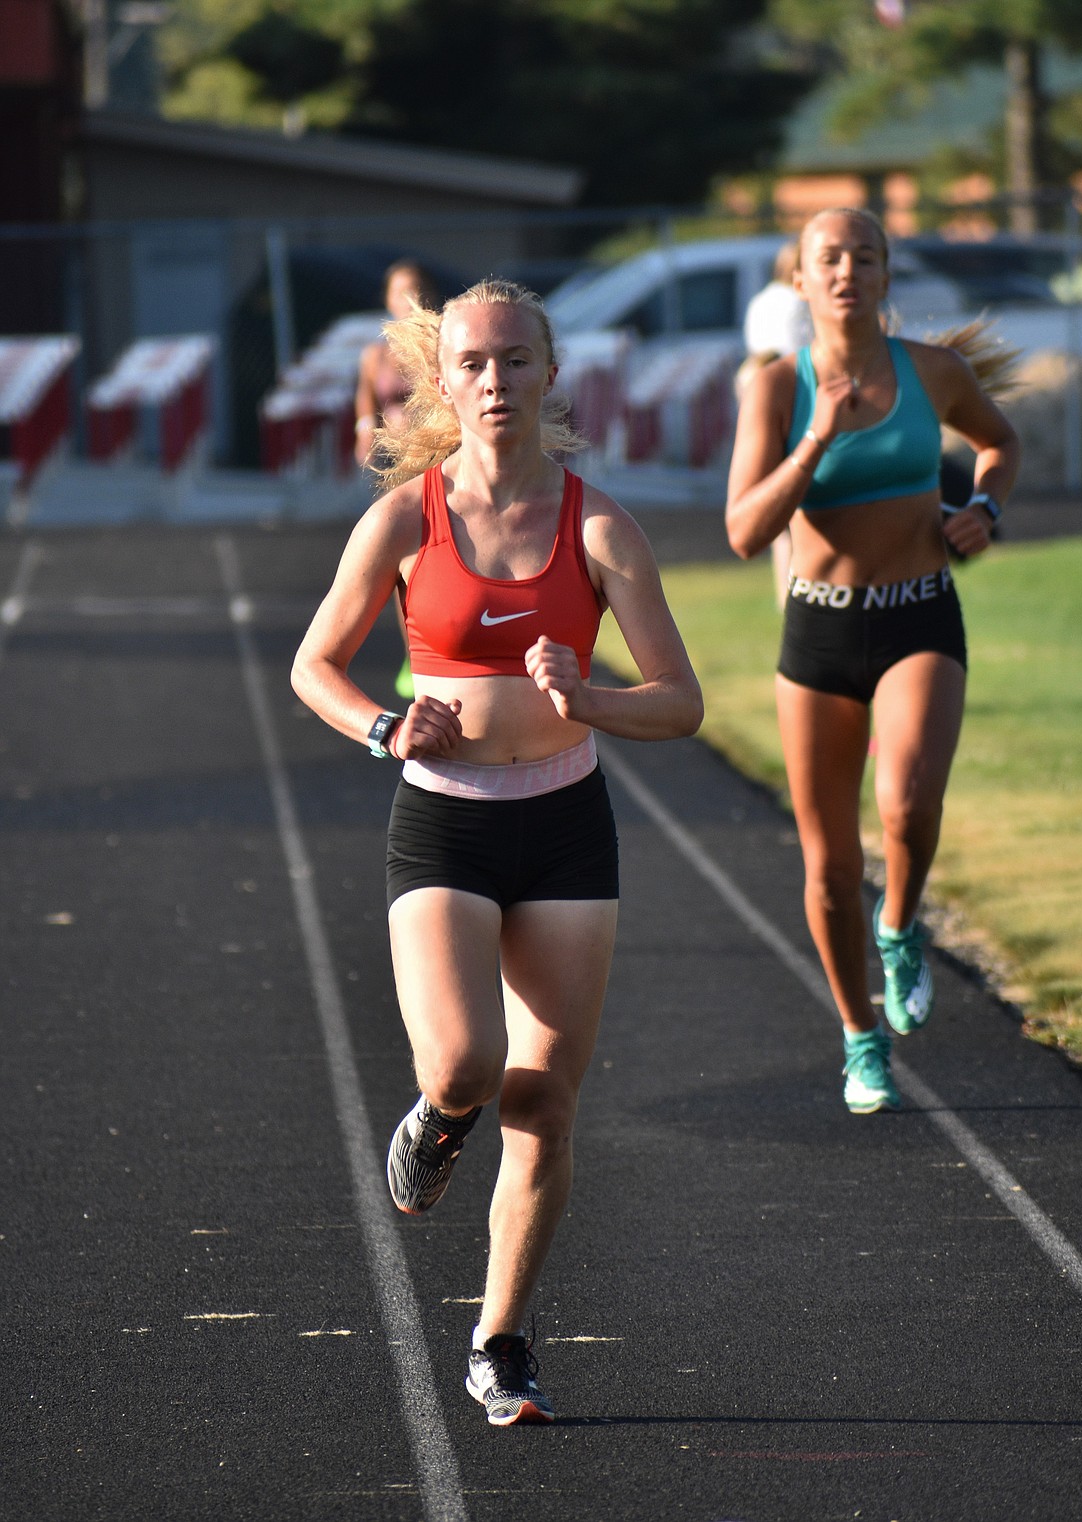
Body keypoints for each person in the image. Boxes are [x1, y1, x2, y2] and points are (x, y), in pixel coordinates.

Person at [292, 278, 703, 1424]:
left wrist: (591, 697)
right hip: (448, 816)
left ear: (550, 372)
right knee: (469, 1065)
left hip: (566, 819)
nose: (493, 382)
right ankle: (434, 1119)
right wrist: (383, 722)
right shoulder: (405, 519)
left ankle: (502, 1338)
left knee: (550, 1107)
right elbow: (312, 664)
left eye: (515, 361)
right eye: (472, 363)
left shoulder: (601, 523)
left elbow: (679, 702)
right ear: (445, 380)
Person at [725, 207, 1020, 1116]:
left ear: (887, 276)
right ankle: (861, 1038)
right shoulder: (776, 390)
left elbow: (1000, 444)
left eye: (865, 256)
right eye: (829, 258)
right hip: (816, 635)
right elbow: (743, 531)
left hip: (918, 615)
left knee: (907, 803)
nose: (847, 270)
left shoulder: (935, 373)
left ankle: (902, 926)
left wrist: (985, 510)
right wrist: (819, 434)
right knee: (826, 869)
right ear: (802, 282)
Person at [354, 259, 442, 702]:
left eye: (416, 290)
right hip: (398, 469)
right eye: (400, 292)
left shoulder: (439, 345)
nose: (409, 301)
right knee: (399, 565)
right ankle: (416, 652)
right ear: (388, 300)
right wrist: (363, 434)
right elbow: (365, 403)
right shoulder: (375, 356)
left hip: (437, 463)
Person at [739, 241, 816, 610]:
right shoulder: (799, 305)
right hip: (791, 398)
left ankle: (786, 596)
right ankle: (801, 591)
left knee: (775, 513)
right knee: (795, 504)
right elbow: (802, 355)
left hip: (754, 389)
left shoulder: (761, 300)